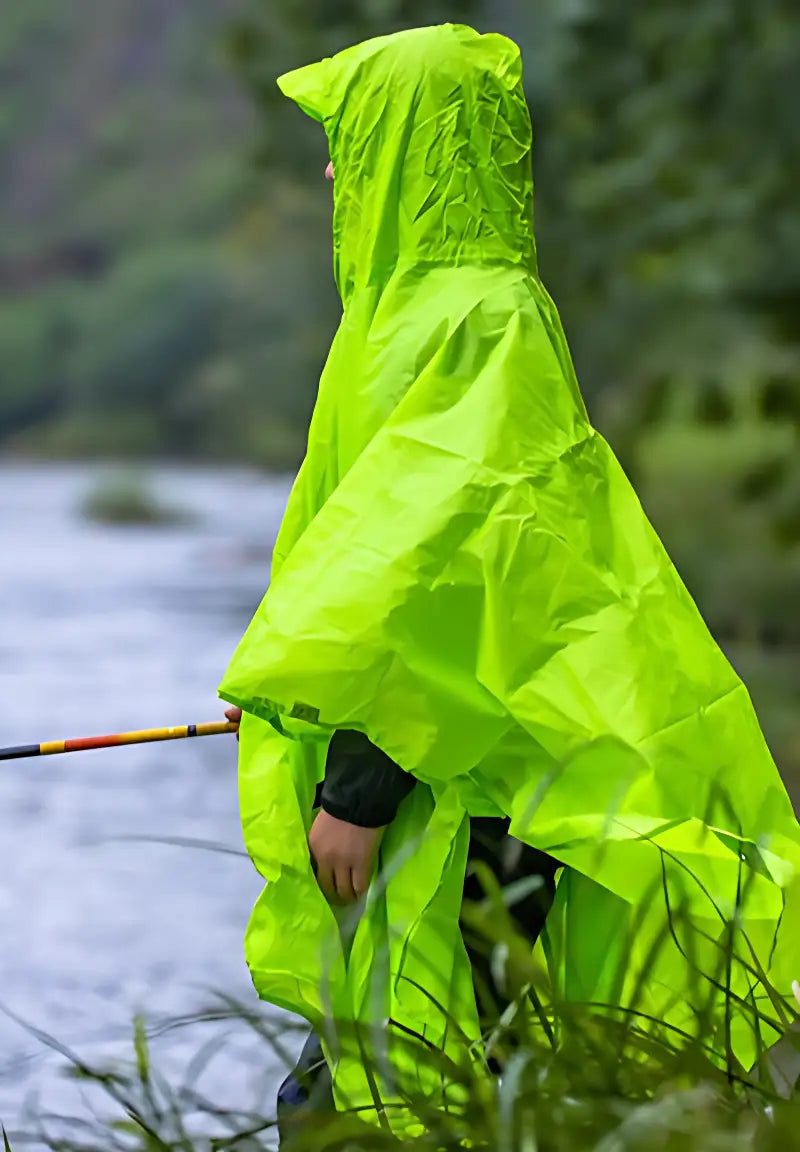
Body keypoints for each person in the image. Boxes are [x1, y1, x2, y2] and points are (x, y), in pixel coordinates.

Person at [218, 23, 800, 1139]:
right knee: (385, 1089)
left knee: (399, 1095)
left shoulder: (477, 318)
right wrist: (297, 692)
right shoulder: (412, 319)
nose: (334, 170)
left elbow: (448, 565)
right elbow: (367, 554)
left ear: (412, 144)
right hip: (454, 769)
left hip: (482, 791)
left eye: (353, 139)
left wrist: (358, 783)